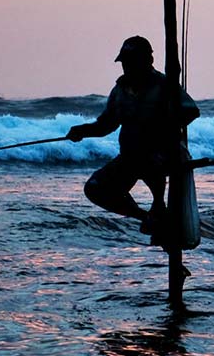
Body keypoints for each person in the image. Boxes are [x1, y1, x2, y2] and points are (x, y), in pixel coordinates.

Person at [67, 36, 200, 242]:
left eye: (132, 62)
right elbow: (106, 125)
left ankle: (158, 209)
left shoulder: (165, 85)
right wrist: (82, 131)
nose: (127, 68)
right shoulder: (120, 90)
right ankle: (146, 217)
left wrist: (163, 127)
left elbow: (191, 111)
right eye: (124, 63)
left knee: (151, 167)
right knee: (95, 188)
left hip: (161, 156)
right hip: (130, 156)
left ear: (147, 61)